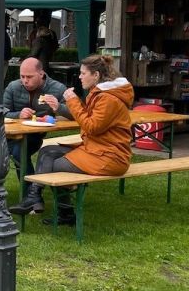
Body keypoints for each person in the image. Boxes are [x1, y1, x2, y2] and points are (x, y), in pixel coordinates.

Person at [10, 55, 133, 225]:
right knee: (47, 151)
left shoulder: (108, 98)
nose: (80, 77)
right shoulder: (100, 94)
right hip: (97, 150)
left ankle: (59, 209)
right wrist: (62, 106)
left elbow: (91, 126)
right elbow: (88, 119)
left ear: (96, 75)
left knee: (56, 165)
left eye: (83, 73)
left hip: (110, 157)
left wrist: (73, 101)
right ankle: (36, 197)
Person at [4, 57, 71, 213]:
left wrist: (58, 107)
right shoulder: (13, 87)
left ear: (41, 74)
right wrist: (17, 115)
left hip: (34, 135)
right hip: (9, 135)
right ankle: (33, 198)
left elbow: (76, 113)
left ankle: (31, 196)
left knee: (19, 152)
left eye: (29, 77)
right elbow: (0, 110)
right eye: (22, 76)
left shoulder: (57, 88)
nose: (25, 81)